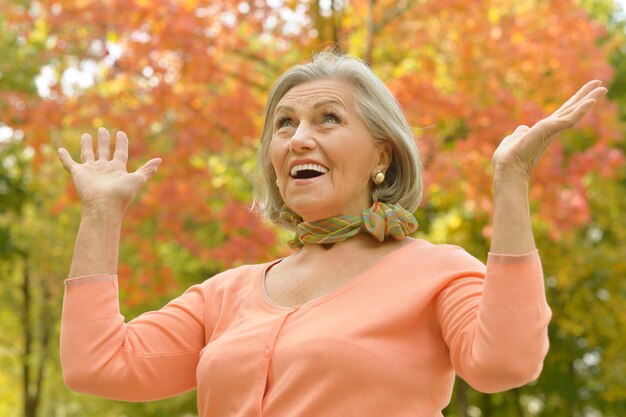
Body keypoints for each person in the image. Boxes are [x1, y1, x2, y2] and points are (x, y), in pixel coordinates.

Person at [57, 51, 607, 416]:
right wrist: (101, 215)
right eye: (284, 124)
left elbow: (505, 363)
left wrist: (511, 182)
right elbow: (97, 365)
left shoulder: (438, 271)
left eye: (328, 119)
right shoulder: (223, 294)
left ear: (381, 155)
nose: (298, 138)